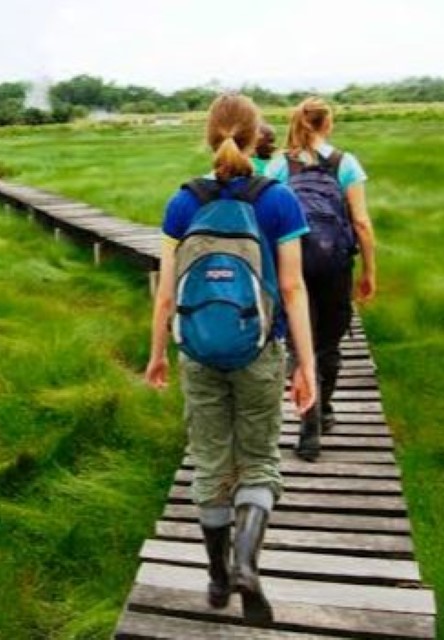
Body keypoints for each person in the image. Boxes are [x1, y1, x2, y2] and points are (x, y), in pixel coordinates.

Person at [144, 94, 316, 622]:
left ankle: (217, 577)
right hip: (261, 350)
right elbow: (292, 289)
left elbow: (168, 294)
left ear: (208, 135)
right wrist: (306, 365)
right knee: (260, 460)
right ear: (255, 133)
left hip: (197, 350)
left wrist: (157, 355)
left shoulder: (184, 201)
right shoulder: (278, 198)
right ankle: (247, 562)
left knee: (211, 464)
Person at [265, 97, 377, 461]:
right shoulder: (346, 163)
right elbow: (360, 222)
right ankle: (324, 409)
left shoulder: (280, 165)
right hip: (334, 264)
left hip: (292, 262)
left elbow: (266, 217)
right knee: (329, 340)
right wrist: (369, 272)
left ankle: (308, 427)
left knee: (301, 344)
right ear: (327, 124)